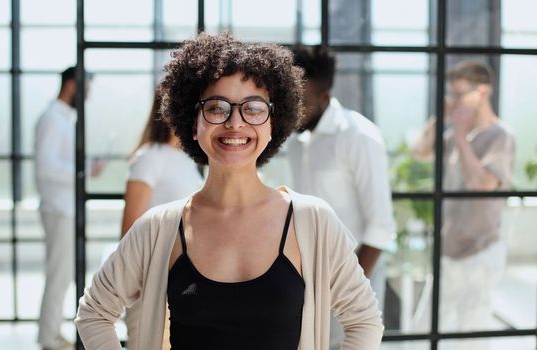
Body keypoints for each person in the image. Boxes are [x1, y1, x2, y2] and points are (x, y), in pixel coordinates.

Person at [75, 32, 383, 350]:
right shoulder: (159, 227)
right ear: (193, 123)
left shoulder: (313, 221)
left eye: (253, 109)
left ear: (272, 124)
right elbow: (94, 313)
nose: (235, 123)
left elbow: (364, 322)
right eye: (217, 107)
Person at [288, 45, 395, 349]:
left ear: (324, 97)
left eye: (302, 102)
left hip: (352, 281)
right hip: (308, 280)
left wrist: (343, 286)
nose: (294, 111)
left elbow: (381, 227)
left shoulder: (358, 136)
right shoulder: (297, 142)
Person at [412, 61, 515, 340]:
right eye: (451, 94)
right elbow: (419, 151)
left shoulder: (500, 136)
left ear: (482, 93)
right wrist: (441, 116)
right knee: (423, 331)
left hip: (479, 252)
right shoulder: (455, 134)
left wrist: (459, 134)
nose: (454, 100)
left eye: (459, 94)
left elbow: (482, 184)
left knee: (472, 337)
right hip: (449, 251)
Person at [120, 87, 203, 349]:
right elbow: (129, 228)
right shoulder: (149, 158)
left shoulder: (187, 160)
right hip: (152, 284)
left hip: (184, 282)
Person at [34, 67, 102, 350]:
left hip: (64, 208)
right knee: (58, 275)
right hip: (58, 208)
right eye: (85, 89)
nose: (87, 97)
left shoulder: (61, 119)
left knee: (61, 275)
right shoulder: (52, 119)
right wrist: (81, 171)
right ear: (72, 85)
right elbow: (46, 167)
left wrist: (86, 169)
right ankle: (48, 337)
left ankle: (50, 334)